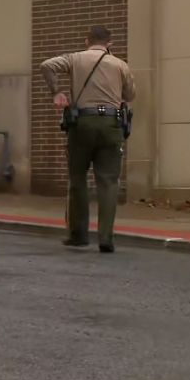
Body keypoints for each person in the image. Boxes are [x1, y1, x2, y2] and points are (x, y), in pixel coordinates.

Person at [40, 25, 136, 253]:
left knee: (77, 178)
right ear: (109, 43)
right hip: (111, 125)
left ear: (86, 41)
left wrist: (57, 92)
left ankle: (78, 234)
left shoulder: (74, 59)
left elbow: (47, 66)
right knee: (109, 182)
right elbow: (130, 94)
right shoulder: (120, 64)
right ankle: (106, 238)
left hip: (81, 124)